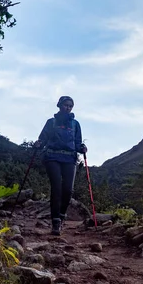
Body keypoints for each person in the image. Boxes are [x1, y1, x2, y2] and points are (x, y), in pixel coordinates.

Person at [35, 96, 87, 235]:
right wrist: (39, 144)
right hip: (52, 157)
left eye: (70, 106)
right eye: (65, 105)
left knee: (68, 190)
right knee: (56, 188)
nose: (68, 108)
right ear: (59, 105)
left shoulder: (75, 124)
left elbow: (77, 143)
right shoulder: (51, 122)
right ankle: (56, 222)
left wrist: (81, 148)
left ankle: (62, 215)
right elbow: (43, 139)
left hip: (69, 158)